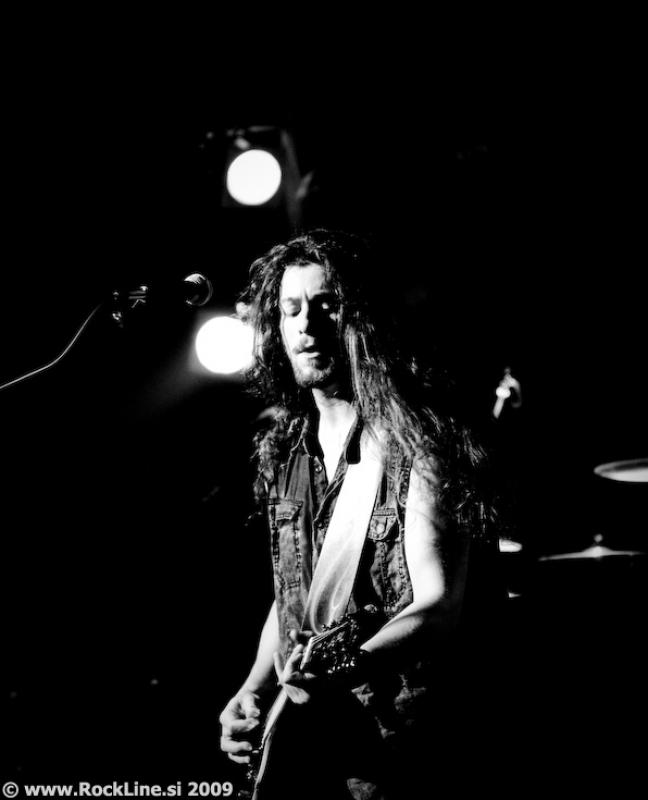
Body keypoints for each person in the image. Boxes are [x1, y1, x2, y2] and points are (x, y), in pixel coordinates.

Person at [219, 230, 500, 799]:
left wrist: (348, 667)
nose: (307, 324)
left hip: (405, 748)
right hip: (313, 747)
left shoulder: (419, 443)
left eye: (328, 305)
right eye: (291, 309)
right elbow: (298, 596)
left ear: (364, 318)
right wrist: (253, 688)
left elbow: (439, 605)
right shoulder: (286, 451)